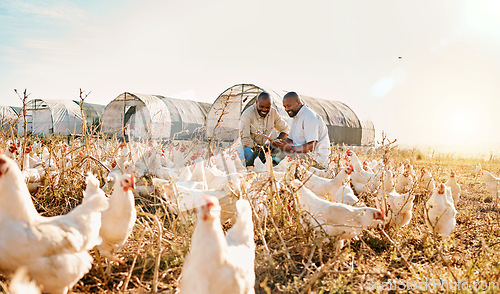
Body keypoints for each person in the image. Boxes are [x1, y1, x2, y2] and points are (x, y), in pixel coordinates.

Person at [274, 92, 331, 168]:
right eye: (284, 106)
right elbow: (290, 140)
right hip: (301, 153)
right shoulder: (296, 116)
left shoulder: (309, 116)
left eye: (289, 106)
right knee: (275, 153)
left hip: (315, 159)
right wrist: (280, 143)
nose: (286, 109)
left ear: (298, 102)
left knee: (280, 158)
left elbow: (311, 146)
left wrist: (290, 148)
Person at [238, 92, 290, 167]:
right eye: (261, 106)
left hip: (265, 148)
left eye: (268, 107)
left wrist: (277, 140)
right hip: (249, 148)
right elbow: (245, 139)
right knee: (248, 154)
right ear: (256, 103)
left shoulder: (273, 112)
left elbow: (285, 129)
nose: (264, 110)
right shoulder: (247, 114)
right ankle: (249, 169)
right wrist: (260, 149)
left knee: (283, 154)